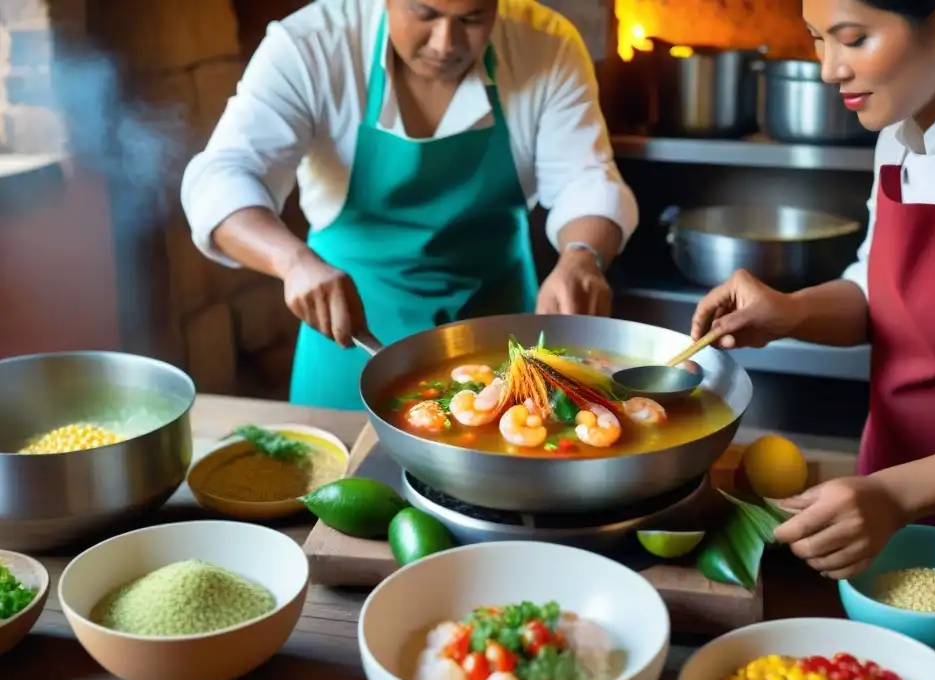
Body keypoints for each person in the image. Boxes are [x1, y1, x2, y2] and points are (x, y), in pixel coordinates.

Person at [691, 0, 935, 577]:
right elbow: (879, 292)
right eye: (818, 38)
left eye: (852, 39)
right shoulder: (901, 125)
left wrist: (894, 496)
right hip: (878, 512)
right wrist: (789, 312)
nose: (827, 69)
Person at [181, 0, 638, 410]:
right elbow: (223, 175)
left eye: (473, 18)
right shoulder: (311, 45)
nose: (447, 42)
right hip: (351, 336)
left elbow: (586, 177)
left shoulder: (548, 44)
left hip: (501, 332)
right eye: (425, 13)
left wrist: (584, 256)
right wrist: (293, 260)